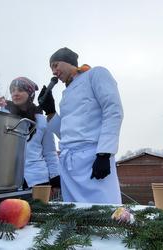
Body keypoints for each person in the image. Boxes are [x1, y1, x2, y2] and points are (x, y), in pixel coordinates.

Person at [38, 47, 124, 204]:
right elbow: (66, 134)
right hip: (68, 164)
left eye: (55, 65)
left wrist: (104, 153)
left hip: (93, 159)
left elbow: (113, 110)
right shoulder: (66, 94)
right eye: (51, 68)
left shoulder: (96, 74)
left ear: (68, 61)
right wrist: (50, 111)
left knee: (104, 211)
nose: (54, 72)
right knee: (74, 214)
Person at [0, 77, 61, 190]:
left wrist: (55, 178)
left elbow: (50, 152)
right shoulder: (3, 114)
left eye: (20, 90)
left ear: (30, 94)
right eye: (12, 90)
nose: (15, 93)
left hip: (37, 179)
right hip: (6, 179)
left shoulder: (41, 120)